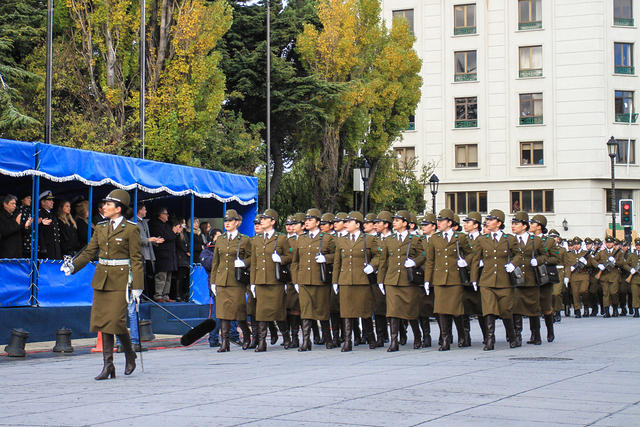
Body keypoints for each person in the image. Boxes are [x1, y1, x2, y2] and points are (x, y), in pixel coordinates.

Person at [61, 189, 143, 380]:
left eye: (108, 204)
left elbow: (136, 259)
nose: (104, 207)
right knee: (104, 322)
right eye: (104, 204)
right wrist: (73, 266)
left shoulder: (131, 229)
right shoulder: (100, 227)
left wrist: (137, 285)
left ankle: (129, 353)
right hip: (102, 279)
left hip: (121, 280)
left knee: (114, 321)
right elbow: (90, 252)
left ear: (119, 208)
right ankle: (109, 365)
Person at [469, 209, 522, 351]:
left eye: (491, 220)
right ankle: (490, 339)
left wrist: (513, 264)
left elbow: (518, 254)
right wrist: (474, 279)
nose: (488, 222)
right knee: (489, 310)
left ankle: (512, 337)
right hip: (487, 280)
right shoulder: (482, 239)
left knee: (506, 310)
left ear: (499, 223)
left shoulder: (509, 239)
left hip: (504, 280)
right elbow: (475, 259)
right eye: (487, 220)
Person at [424, 209, 474, 351]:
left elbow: (471, 253)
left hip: (454, 278)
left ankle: (462, 336)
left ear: (449, 223)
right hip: (439, 279)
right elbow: (430, 260)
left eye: (441, 221)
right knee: (441, 310)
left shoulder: (460, 237)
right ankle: (445, 339)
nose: (438, 223)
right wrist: (428, 280)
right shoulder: (435, 238)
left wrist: (465, 261)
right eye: (438, 221)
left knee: (456, 309)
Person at [377, 210, 425, 352]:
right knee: (392, 312)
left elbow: (423, 255)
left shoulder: (415, 239)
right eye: (394, 220)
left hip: (408, 281)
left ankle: (417, 336)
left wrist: (414, 262)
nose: (394, 222)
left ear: (405, 223)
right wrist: (381, 280)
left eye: (398, 220)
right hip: (392, 280)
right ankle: (394, 341)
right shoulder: (389, 240)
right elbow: (383, 261)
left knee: (411, 311)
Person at [291, 208, 336, 351]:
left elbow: (336, 256)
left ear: (317, 222)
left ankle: (328, 338)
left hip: (320, 280)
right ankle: (306, 341)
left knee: (322, 310)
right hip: (304, 280)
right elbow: (295, 261)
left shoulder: (327, 238)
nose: (307, 222)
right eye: (306, 220)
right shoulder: (301, 238)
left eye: (310, 220)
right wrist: (296, 280)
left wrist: (326, 258)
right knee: (306, 311)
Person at [332, 211, 378, 351]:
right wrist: (335, 281)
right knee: (346, 312)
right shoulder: (341, 240)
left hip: (362, 280)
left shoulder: (368, 240)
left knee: (364, 311)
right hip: (345, 280)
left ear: (357, 224)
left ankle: (371, 338)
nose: (346, 224)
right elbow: (337, 262)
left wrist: (372, 266)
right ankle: (347, 341)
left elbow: (378, 256)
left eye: (349, 222)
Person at [249, 209, 292, 352]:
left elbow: (290, 256)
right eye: (261, 218)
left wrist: (280, 259)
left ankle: (286, 337)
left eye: (265, 218)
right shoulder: (257, 240)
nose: (262, 220)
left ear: (273, 221)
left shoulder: (281, 238)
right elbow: (254, 263)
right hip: (261, 281)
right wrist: (253, 282)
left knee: (278, 312)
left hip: (275, 280)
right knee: (261, 312)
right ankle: (262, 342)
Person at [209, 209, 252, 352]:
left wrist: (243, 263)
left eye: (230, 221)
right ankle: (225, 343)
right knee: (222, 312)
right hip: (222, 280)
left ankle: (246, 336)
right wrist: (213, 281)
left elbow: (252, 258)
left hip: (237, 280)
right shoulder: (220, 239)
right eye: (226, 221)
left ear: (237, 223)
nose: (227, 223)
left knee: (239, 311)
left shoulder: (244, 239)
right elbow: (216, 261)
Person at [510, 211, 545, 347]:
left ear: (524, 226)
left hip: (531, 278)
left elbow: (546, 256)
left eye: (516, 224)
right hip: (516, 279)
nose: (513, 226)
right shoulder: (510, 240)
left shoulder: (535, 240)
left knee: (533, 308)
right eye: (512, 223)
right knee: (516, 307)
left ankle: (536, 334)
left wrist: (538, 260)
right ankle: (517, 335)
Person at [461, 211, 486, 346]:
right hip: (465, 276)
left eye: (468, 222)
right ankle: (466, 337)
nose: (465, 225)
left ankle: (487, 335)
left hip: (481, 276)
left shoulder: (484, 238)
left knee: (482, 308)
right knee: (464, 307)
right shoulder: (464, 239)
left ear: (476, 225)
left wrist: (483, 262)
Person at [149, 208, 179, 302]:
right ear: (160, 215)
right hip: (162, 254)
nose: (167, 216)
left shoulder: (166, 225)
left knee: (168, 276)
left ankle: (165, 295)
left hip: (170, 255)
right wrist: (173, 232)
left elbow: (172, 237)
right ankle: (158, 295)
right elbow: (165, 237)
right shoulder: (155, 224)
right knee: (161, 276)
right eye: (165, 214)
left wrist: (173, 233)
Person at [590, 236, 624, 317]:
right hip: (604, 276)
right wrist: (599, 265)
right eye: (607, 243)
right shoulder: (601, 252)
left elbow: (622, 263)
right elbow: (593, 260)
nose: (609, 244)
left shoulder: (618, 252)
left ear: (613, 243)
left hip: (614, 276)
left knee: (614, 293)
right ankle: (607, 311)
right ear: (605, 244)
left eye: (610, 243)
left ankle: (615, 308)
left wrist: (615, 262)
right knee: (606, 294)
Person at [136, 203, 163, 298]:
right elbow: (136, 239)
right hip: (140, 253)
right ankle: (140, 295)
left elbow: (148, 238)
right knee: (141, 276)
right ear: (140, 210)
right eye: (144, 209)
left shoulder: (144, 222)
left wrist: (155, 241)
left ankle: (146, 295)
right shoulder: (133, 222)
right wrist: (149, 240)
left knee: (147, 276)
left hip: (148, 254)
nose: (146, 211)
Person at [564, 237, 591, 318]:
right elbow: (567, 266)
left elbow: (591, 264)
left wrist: (586, 263)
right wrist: (567, 276)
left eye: (578, 244)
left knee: (584, 291)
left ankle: (586, 306)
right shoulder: (569, 254)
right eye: (574, 244)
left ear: (580, 245)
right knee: (575, 293)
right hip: (574, 276)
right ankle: (577, 310)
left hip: (583, 275)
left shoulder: (585, 253)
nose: (576, 246)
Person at [38, 190, 62, 259]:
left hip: (55, 249)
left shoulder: (52, 215)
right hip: (46, 249)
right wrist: (43, 248)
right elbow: (40, 233)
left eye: (52, 200)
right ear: (43, 202)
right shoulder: (39, 214)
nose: (52, 202)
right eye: (49, 200)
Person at [623, 238, 640, 317]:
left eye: (639, 245)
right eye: (637, 245)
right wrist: (631, 269)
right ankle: (636, 311)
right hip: (635, 278)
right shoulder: (632, 255)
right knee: (635, 295)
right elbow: (625, 264)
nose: (638, 246)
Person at [175, 218, 191, 301]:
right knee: (180, 277)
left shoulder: (185, 233)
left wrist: (188, 249)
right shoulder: (178, 234)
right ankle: (178, 294)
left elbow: (188, 243)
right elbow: (180, 244)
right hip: (180, 257)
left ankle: (184, 294)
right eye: (183, 223)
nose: (184, 225)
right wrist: (186, 250)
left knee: (186, 277)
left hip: (186, 258)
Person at [18, 192, 33, 258]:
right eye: (28, 198)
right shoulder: (19, 211)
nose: (30, 200)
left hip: (31, 242)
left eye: (30, 198)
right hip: (23, 242)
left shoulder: (30, 211)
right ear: (22, 200)